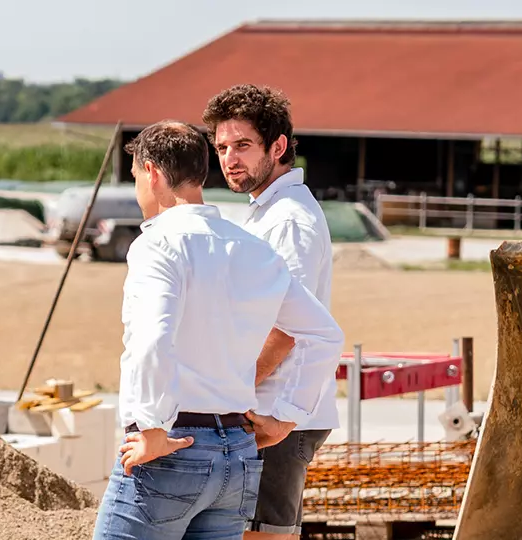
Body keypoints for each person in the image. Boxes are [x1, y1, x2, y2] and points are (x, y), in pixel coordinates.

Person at [92, 120, 344, 540]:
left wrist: (152, 430)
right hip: (237, 458)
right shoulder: (251, 247)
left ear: (151, 172)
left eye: (136, 175)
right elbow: (325, 335)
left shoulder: (157, 244)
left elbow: (152, 339)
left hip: (172, 448)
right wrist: (286, 416)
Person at [203, 84, 337, 540]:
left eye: (242, 145)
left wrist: (233, 386)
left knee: (264, 536)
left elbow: (288, 327)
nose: (229, 159)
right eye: (221, 147)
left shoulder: (290, 220)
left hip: (278, 412)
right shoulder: (269, 210)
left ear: (278, 146)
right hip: (271, 405)